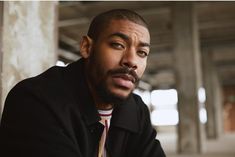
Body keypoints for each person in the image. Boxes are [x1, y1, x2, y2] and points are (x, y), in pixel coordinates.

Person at [0, 9, 165, 157]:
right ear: (87, 47)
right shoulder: (35, 100)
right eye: (118, 45)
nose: (131, 61)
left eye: (142, 53)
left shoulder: (136, 108)